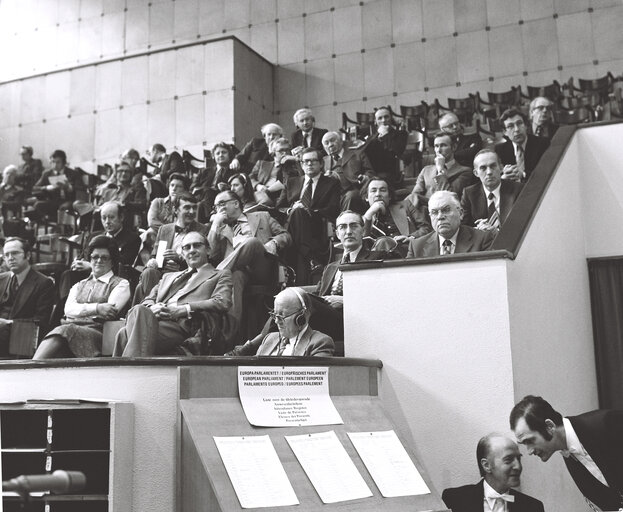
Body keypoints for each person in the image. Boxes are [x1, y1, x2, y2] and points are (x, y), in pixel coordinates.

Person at [114, 231, 233, 356]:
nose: (191, 250)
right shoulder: (168, 277)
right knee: (131, 322)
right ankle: (128, 372)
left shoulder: (220, 274)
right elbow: (148, 300)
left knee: (126, 332)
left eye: (197, 245)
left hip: (183, 325)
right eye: (187, 247)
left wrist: (183, 309)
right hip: (155, 319)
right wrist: (153, 308)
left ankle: (126, 372)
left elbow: (222, 302)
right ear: (182, 253)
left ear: (208, 250)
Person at [510, 395, 623, 511]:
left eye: (530, 441)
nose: (529, 451)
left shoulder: (608, 422)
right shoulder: (569, 456)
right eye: (524, 444)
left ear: (550, 426)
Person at [33, 236, 131, 359]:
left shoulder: (121, 284)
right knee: (63, 334)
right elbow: (68, 310)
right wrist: (97, 308)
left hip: (100, 334)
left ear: (112, 261)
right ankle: (35, 368)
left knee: (64, 331)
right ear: (90, 259)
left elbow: (108, 313)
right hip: (70, 329)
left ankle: (32, 366)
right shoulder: (79, 285)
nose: (99, 261)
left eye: (104, 257)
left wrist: (79, 312)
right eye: (95, 257)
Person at [277, 147, 341, 284]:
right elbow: (279, 208)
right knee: (297, 212)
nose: (309, 164)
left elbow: (333, 209)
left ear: (321, 164)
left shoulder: (331, 183)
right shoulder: (292, 182)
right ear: (301, 164)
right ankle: (310, 258)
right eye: (306, 161)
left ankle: (304, 259)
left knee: (300, 212)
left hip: (316, 227)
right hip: (292, 227)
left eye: (313, 161)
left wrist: (308, 212)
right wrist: (291, 210)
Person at [133, 192, 208, 304]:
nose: (191, 212)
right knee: (149, 272)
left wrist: (180, 260)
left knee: (142, 287)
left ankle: (148, 310)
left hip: (185, 275)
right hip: (162, 274)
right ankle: (149, 308)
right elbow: (155, 257)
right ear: (175, 210)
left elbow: (204, 260)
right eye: (187, 208)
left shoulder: (202, 230)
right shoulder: (165, 229)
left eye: (194, 208)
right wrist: (159, 261)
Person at [442, 433, 545, 512]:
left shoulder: (533, 507)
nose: (518, 466)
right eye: (508, 460)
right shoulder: (454, 499)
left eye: (518, 459)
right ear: (486, 465)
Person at [60, 201, 141, 298]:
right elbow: (83, 256)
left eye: (111, 217)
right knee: (68, 275)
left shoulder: (132, 238)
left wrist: (91, 266)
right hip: (88, 276)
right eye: (104, 218)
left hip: (112, 278)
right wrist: (77, 263)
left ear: (121, 217)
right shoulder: (93, 236)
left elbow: (122, 265)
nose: (107, 222)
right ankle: (65, 308)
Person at [229, 288, 335, 357]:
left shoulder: (320, 343)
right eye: (274, 315)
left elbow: (314, 383)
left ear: (301, 317)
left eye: (281, 316)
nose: (276, 321)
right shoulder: (269, 339)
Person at [0, 237, 54, 356]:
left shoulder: (44, 283)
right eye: (6, 254)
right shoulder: (1, 279)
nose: (10, 258)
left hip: (23, 338)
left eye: (15, 253)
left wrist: (8, 324)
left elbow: (41, 321)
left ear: (28, 255)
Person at [407, 191, 495, 258]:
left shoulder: (482, 239)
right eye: (434, 212)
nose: (440, 217)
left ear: (460, 213)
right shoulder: (416, 247)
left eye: (446, 210)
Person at [362, 178, 431, 257]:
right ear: (366, 197)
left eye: (383, 190)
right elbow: (363, 244)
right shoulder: (362, 220)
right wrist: (369, 215)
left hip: (406, 252)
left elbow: (426, 228)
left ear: (389, 196)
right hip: (378, 259)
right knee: (383, 242)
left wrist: (410, 237)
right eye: (373, 191)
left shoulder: (406, 206)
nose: (378, 194)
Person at [460, 150, 524, 230]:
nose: (489, 172)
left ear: (501, 168)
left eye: (493, 166)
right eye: (483, 168)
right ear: (476, 173)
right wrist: (478, 230)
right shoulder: (469, 194)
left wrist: (496, 231)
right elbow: (463, 228)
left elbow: (523, 224)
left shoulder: (519, 190)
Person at [408, 133, 474, 208]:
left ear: (454, 147)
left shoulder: (465, 171)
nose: (438, 150)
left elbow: (449, 198)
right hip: (424, 211)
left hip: (446, 212)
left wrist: (440, 170)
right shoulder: (426, 170)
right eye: (436, 146)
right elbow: (414, 196)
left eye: (443, 145)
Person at [322, 131, 373, 214]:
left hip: (356, 190)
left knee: (351, 196)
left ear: (341, 141)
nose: (330, 145)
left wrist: (365, 178)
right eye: (326, 143)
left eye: (332, 140)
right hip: (335, 194)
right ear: (324, 147)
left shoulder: (357, 153)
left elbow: (370, 172)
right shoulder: (324, 161)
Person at [32, 149, 87, 223]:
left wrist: (69, 187)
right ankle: (50, 224)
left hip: (69, 200)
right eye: (53, 162)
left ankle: (61, 228)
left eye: (58, 162)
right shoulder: (47, 174)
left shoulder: (73, 173)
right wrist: (46, 188)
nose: (55, 165)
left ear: (64, 162)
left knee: (65, 207)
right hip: (53, 201)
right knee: (38, 205)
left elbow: (80, 188)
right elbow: (35, 188)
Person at [495, 109, 550, 182]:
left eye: (519, 123)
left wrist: (523, 174)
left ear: (526, 126)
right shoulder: (500, 150)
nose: (517, 129)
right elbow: (498, 176)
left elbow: (547, 173)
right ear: (505, 132)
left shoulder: (542, 144)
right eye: (510, 126)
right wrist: (504, 176)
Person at [363, 107, 408, 189]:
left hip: (390, 172)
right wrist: (377, 137)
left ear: (391, 118)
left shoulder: (401, 134)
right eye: (380, 118)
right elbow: (364, 153)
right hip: (371, 172)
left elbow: (397, 151)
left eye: (386, 117)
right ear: (375, 122)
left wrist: (385, 135)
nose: (383, 120)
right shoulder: (371, 138)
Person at [249, 138, 302, 206]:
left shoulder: (293, 166)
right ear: (273, 152)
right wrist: (257, 186)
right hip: (261, 192)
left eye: (287, 150)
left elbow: (299, 179)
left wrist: (296, 160)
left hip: (280, 196)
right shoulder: (262, 164)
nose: (285, 153)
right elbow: (250, 178)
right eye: (281, 150)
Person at [191, 142, 236, 220]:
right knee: (204, 199)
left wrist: (227, 187)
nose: (221, 155)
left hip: (222, 199)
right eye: (217, 153)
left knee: (201, 205)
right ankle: (211, 216)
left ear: (229, 155)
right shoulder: (204, 172)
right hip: (203, 197)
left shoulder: (234, 172)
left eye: (224, 152)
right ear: (214, 157)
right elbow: (193, 187)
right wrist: (202, 189)